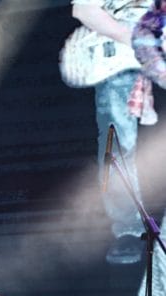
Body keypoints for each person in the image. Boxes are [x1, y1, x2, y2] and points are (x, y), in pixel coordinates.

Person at [70, 0, 154, 264]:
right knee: (118, 146)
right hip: (121, 63)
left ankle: (129, 227)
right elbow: (83, 10)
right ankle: (128, 227)